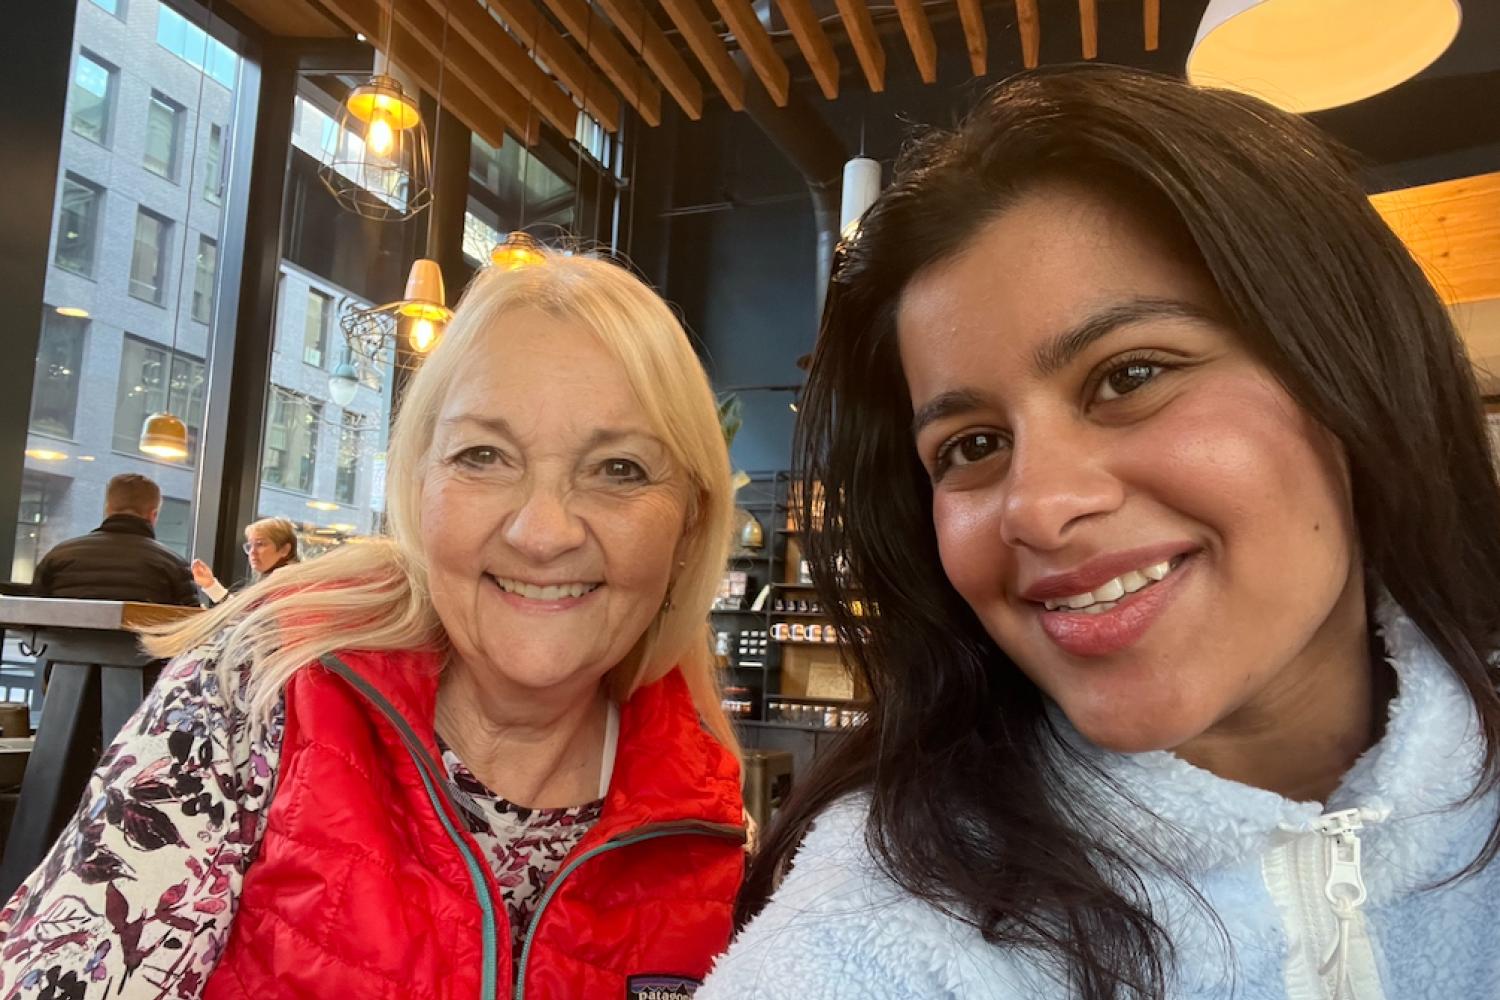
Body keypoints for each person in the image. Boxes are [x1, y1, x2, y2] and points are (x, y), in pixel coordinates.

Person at [701, 65, 1500, 999]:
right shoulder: (880, 938)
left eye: (1129, 376)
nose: (1036, 506)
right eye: (974, 444)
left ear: (1350, 367)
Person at [0, 252, 746, 998]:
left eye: (619, 468)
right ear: (418, 489)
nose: (543, 532)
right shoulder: (261, 689)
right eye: (483, 456)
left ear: (688, 525)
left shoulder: (711, 823)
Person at [30, 472, 198, 606]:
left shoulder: (58, 555)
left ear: (108, 509)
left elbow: (32, 613)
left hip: (61, 648)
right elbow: (191, 629)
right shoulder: (173, 565)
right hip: (139, 649)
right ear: (153, 515)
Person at [191, 516, 300, 604]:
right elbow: (243, 615)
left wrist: (211, 585)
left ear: (284, 549)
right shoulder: (272, 580)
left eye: (260, 544)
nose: (252, 551)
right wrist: (210, 584)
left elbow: (243, 618)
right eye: (250, 546)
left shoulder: (290, 585)